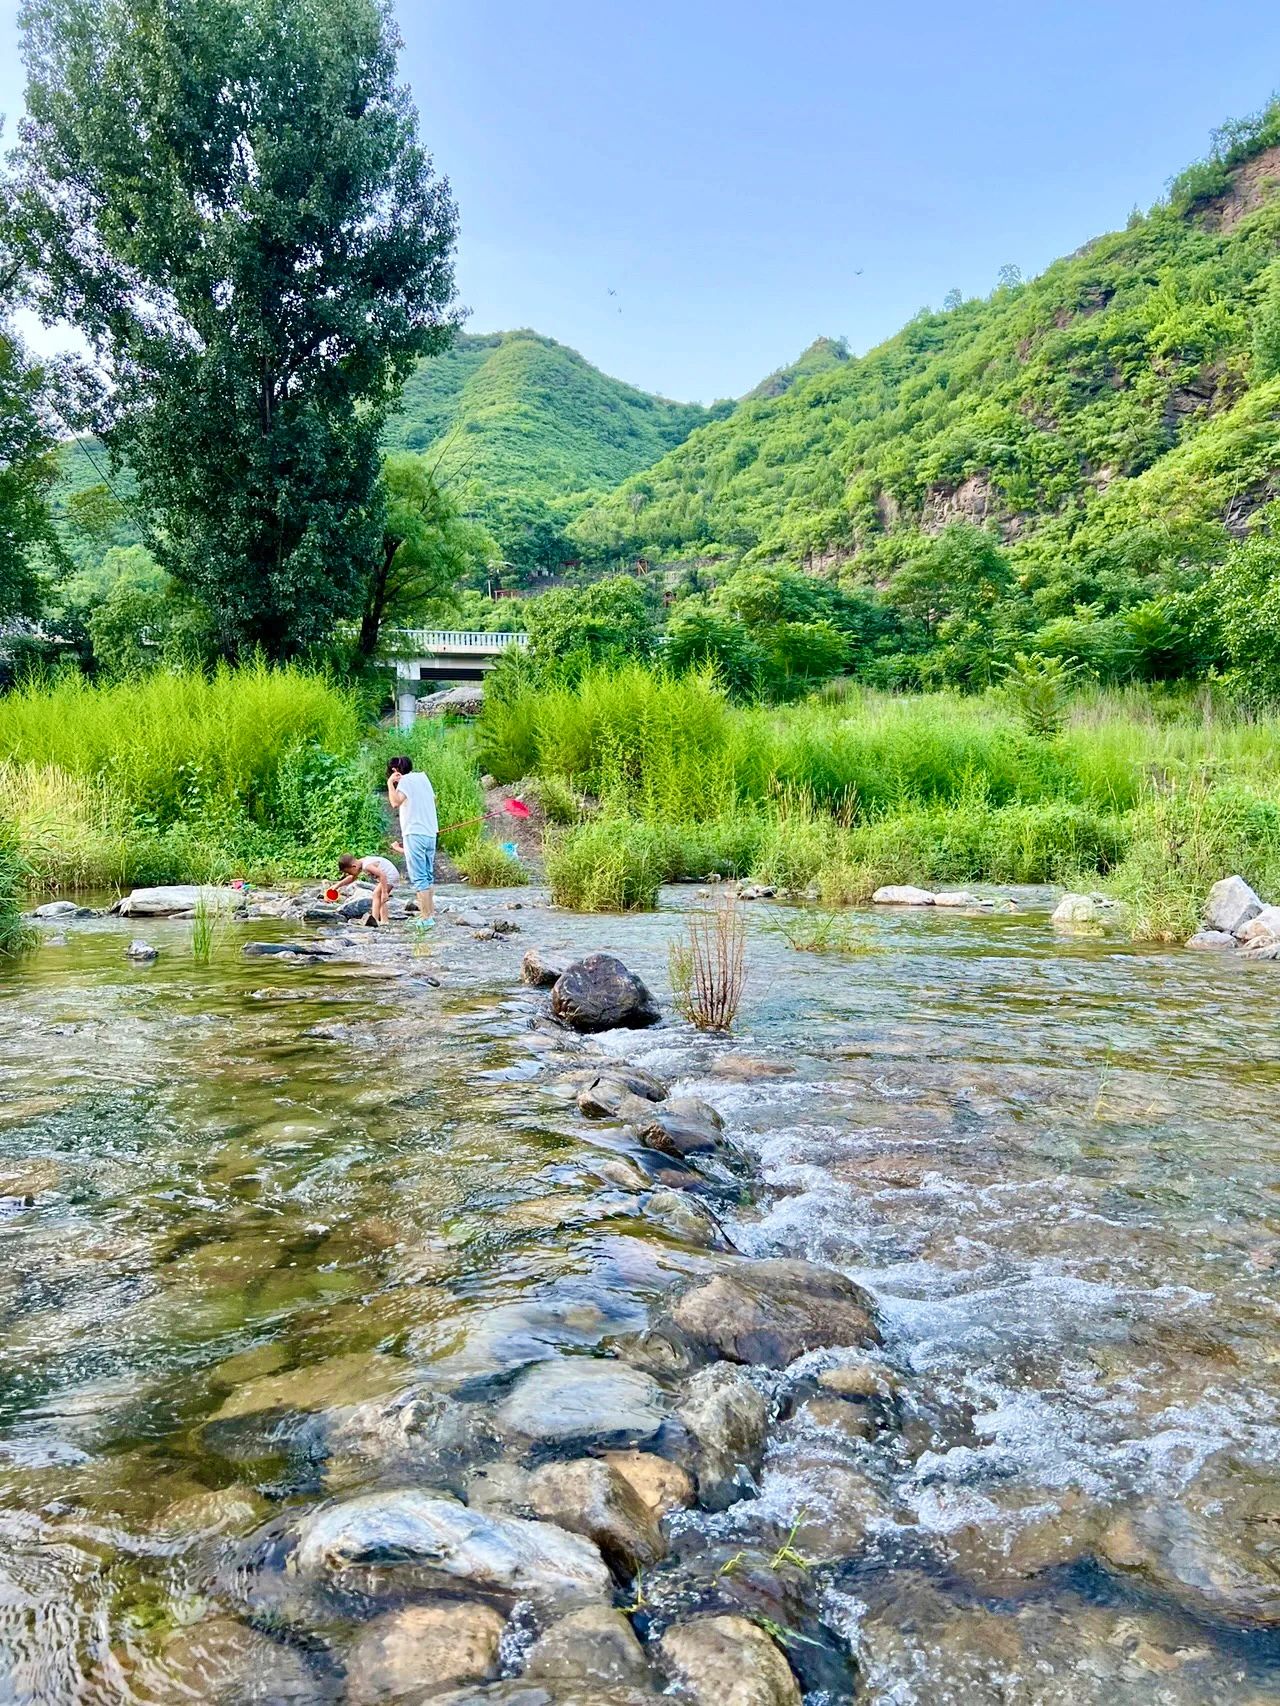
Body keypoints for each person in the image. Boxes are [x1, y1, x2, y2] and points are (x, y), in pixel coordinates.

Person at [386, 754, 437, 929]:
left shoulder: (405, 781)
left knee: (419, 877)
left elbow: (395, 802)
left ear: (395, 770)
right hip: (430, 833)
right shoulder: (423, 778)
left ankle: (425, 918)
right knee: (428, 876)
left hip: (414, 833)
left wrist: (390, 784)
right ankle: (431, 915)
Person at [334, 851, 399, 928]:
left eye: (349, 872)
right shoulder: (361, 863)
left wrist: (385, 892)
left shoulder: (366, 865)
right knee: (376, 895)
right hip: (387, 875)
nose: (349, 874)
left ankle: (383, 921)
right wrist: (337, 885)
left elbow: (382, 874)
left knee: (380, 896)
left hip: (389, 875)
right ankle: (376, 919)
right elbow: (352, 878)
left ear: (353, 866)